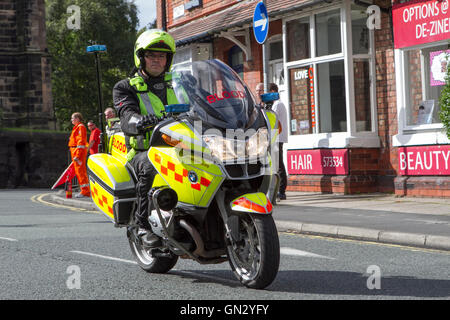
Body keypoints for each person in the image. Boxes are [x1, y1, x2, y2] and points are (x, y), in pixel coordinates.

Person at [112, 29, 180, 247]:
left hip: (182, 148)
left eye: (162, 56)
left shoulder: (179, 83)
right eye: (151, 55)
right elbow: (126, 116)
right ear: (141, 57)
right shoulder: (125, 87)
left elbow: (205, 103)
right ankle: (143, 225)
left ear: (168, 59)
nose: (157, 60)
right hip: (144, 150)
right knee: (152, 166)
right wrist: (138, 121)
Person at [268, 83, 288, 200]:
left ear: (273, 91)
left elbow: (272, 118)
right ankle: (280, 190)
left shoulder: (277, 104)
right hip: (278, 137)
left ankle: (281, 190)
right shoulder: (278, 104)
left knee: (278, 164)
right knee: (278, 164)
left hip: (278, 138)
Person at [68, 112, 91, 198]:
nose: (71, 120)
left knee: (81, 172)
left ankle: (85, 191)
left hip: (78, 153)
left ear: (77, 118)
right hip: (76, 152)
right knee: (80, 172)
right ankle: (85, 191)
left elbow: (81, 142)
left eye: (72, 118)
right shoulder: (78, 127)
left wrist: (77, 156)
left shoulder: (80, 127)